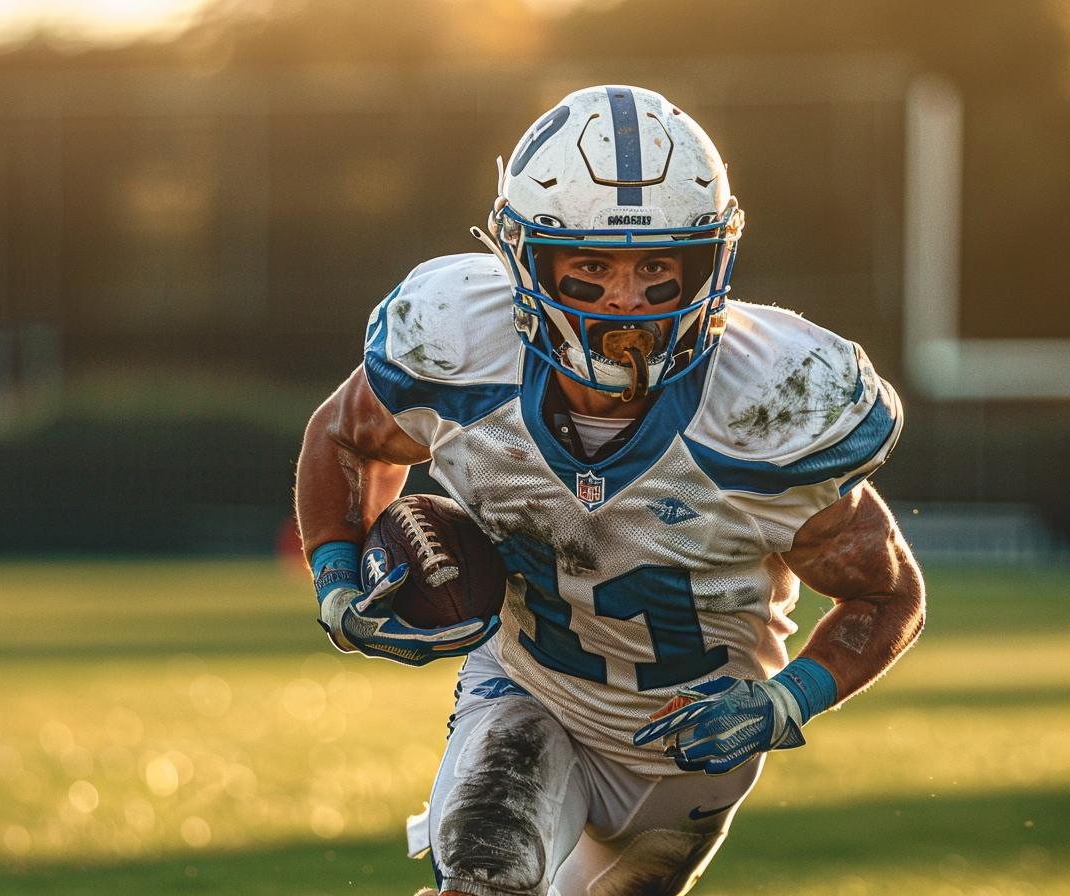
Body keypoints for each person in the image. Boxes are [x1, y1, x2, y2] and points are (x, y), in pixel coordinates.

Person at [293, 85, 925, 896]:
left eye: (656, 266)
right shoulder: (462, 346)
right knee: (485, 877)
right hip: (526, 691)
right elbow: (344, 436)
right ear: (528, 260)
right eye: (592, 265)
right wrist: (338, 581)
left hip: (689, 753)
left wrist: (784, 702)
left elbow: (887, 595)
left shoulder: (770, 404)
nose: (625, 299)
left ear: (706, 263)